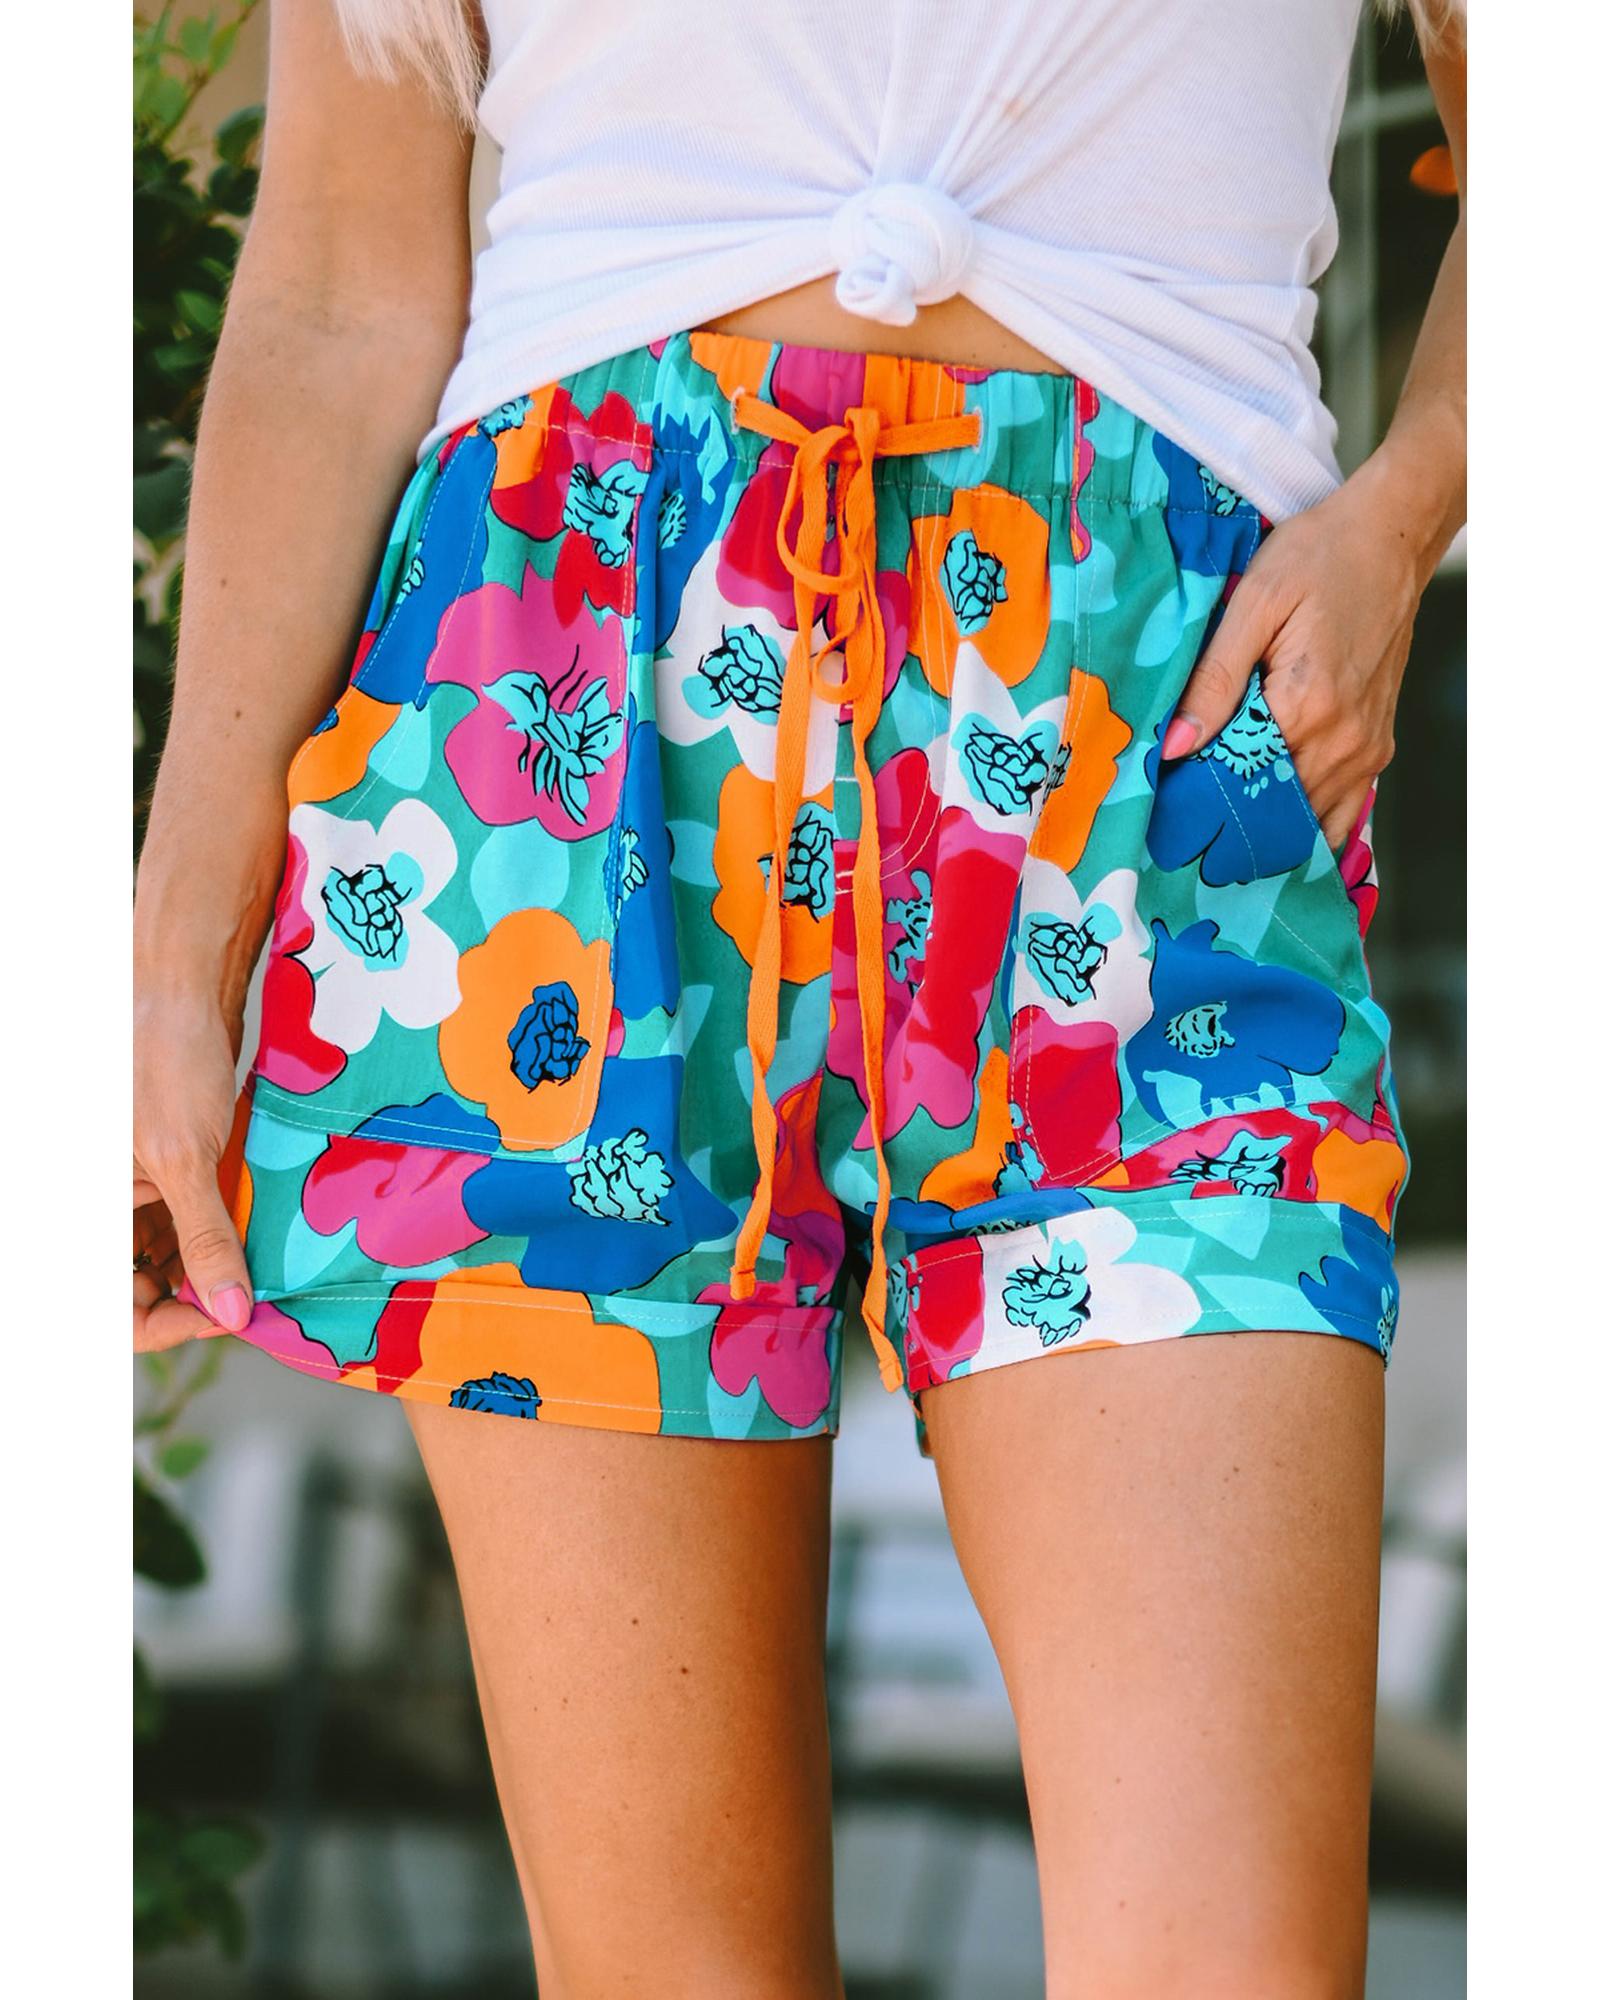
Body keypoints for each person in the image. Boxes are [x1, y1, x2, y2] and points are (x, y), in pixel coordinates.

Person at [132, 1, 1467, 1991]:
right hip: (561, 747)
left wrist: (1410, 511)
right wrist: (174, 953)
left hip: (1144, 732)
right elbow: (337, 273)